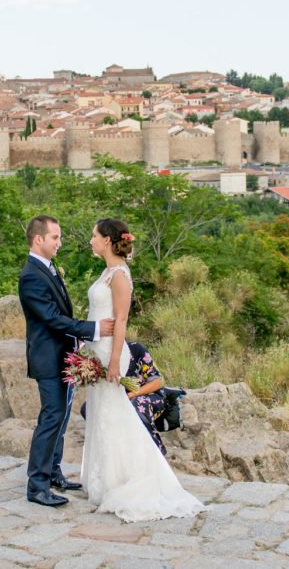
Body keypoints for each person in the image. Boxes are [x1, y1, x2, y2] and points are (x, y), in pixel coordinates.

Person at [80, 218, 205, 522]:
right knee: (101, 413)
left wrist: (113, 361)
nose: (91, 240)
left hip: (112, 352)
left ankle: (128, 479)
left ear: (108, 240)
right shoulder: (107, 271)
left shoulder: (120, 275)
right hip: (98, 349)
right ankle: (104, 479)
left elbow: (121, 320)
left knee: (116, 413)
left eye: (95, 236)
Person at [18, 215, 114, 508]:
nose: (60, 242)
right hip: (47, 359)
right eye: (55, 238)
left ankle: (53, 473)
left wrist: (79, 341)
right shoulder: (31, 275)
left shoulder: (47, 268)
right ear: (39, 240)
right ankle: (37, 485)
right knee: (50, 418)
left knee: (59, 417)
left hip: (63, 355)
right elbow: (50, 318)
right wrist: (93, 328)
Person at [81, 341, 169, 455]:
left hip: (146, 394)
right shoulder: (98, 355)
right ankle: (115, 451)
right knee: (87, 407)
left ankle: (155, 451)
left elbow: (157, 382)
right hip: (117, 398)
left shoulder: (135, 349)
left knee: (136, 405)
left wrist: (131, 395)